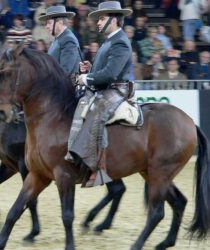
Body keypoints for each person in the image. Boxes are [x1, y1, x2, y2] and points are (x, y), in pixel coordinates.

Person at [67, 1, 133, 187]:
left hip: (116, 90)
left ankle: (99, 168)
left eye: (101, 18)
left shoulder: (119, 41)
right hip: (106, 87)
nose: (97, 22)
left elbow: (111, 74)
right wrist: (91, 68)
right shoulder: (110, 40)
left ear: (113, 19)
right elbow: (104, 69)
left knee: (96, 112)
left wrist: (86, 78)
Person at [39, 5, 81, 76]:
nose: (47, 26)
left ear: (60, 22)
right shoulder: (59, 38)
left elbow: (65, 70)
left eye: (49, 23)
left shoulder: (68, 40)